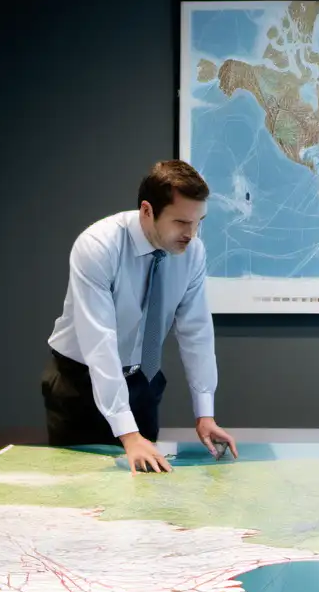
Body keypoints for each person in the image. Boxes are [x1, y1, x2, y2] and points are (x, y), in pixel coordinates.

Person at [42, 160, 237, 473]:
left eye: (198, 222)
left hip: (142, 379)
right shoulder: (98, 247)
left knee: (144, 490)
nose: (192, 233)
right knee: (80, 494)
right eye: (181, 222)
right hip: (79, 382)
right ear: (147, 211)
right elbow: (100, 343)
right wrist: (129, 435)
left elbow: (196, 332)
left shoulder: (192, 253)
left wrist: (205, 415)